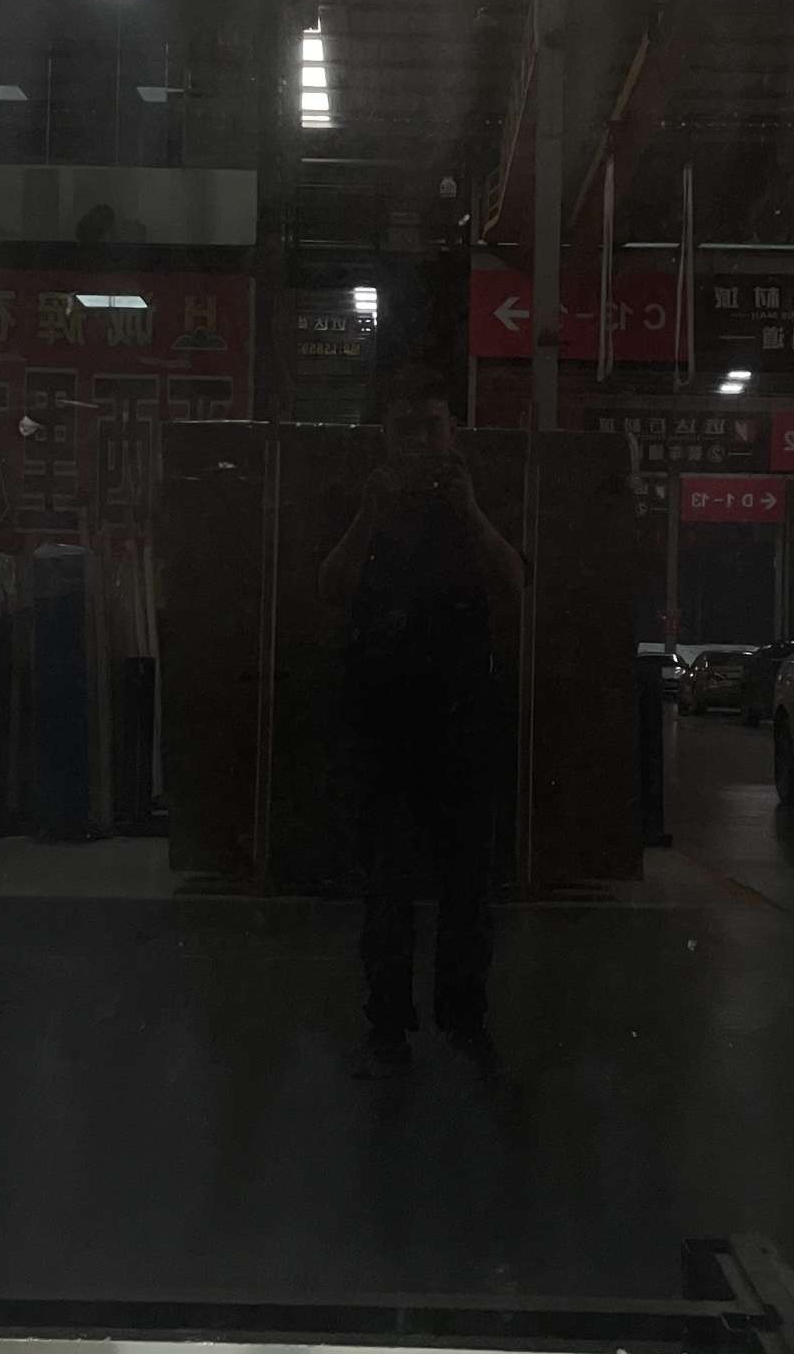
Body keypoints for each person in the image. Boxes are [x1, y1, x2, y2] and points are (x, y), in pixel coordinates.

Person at [318, 368, 523, 1071]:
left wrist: (471, 511)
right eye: (406, 429)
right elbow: (329, 584)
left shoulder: (476, 496)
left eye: (431, 427)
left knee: (468, 885)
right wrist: (368, 516)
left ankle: (464, 1017)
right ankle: (387, 1024)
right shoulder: (364, 496)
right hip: (383, 721)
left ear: (453, 432)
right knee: (387, 885)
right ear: (385, 436)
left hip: (462, 719)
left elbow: (515, 580)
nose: (420, 443)